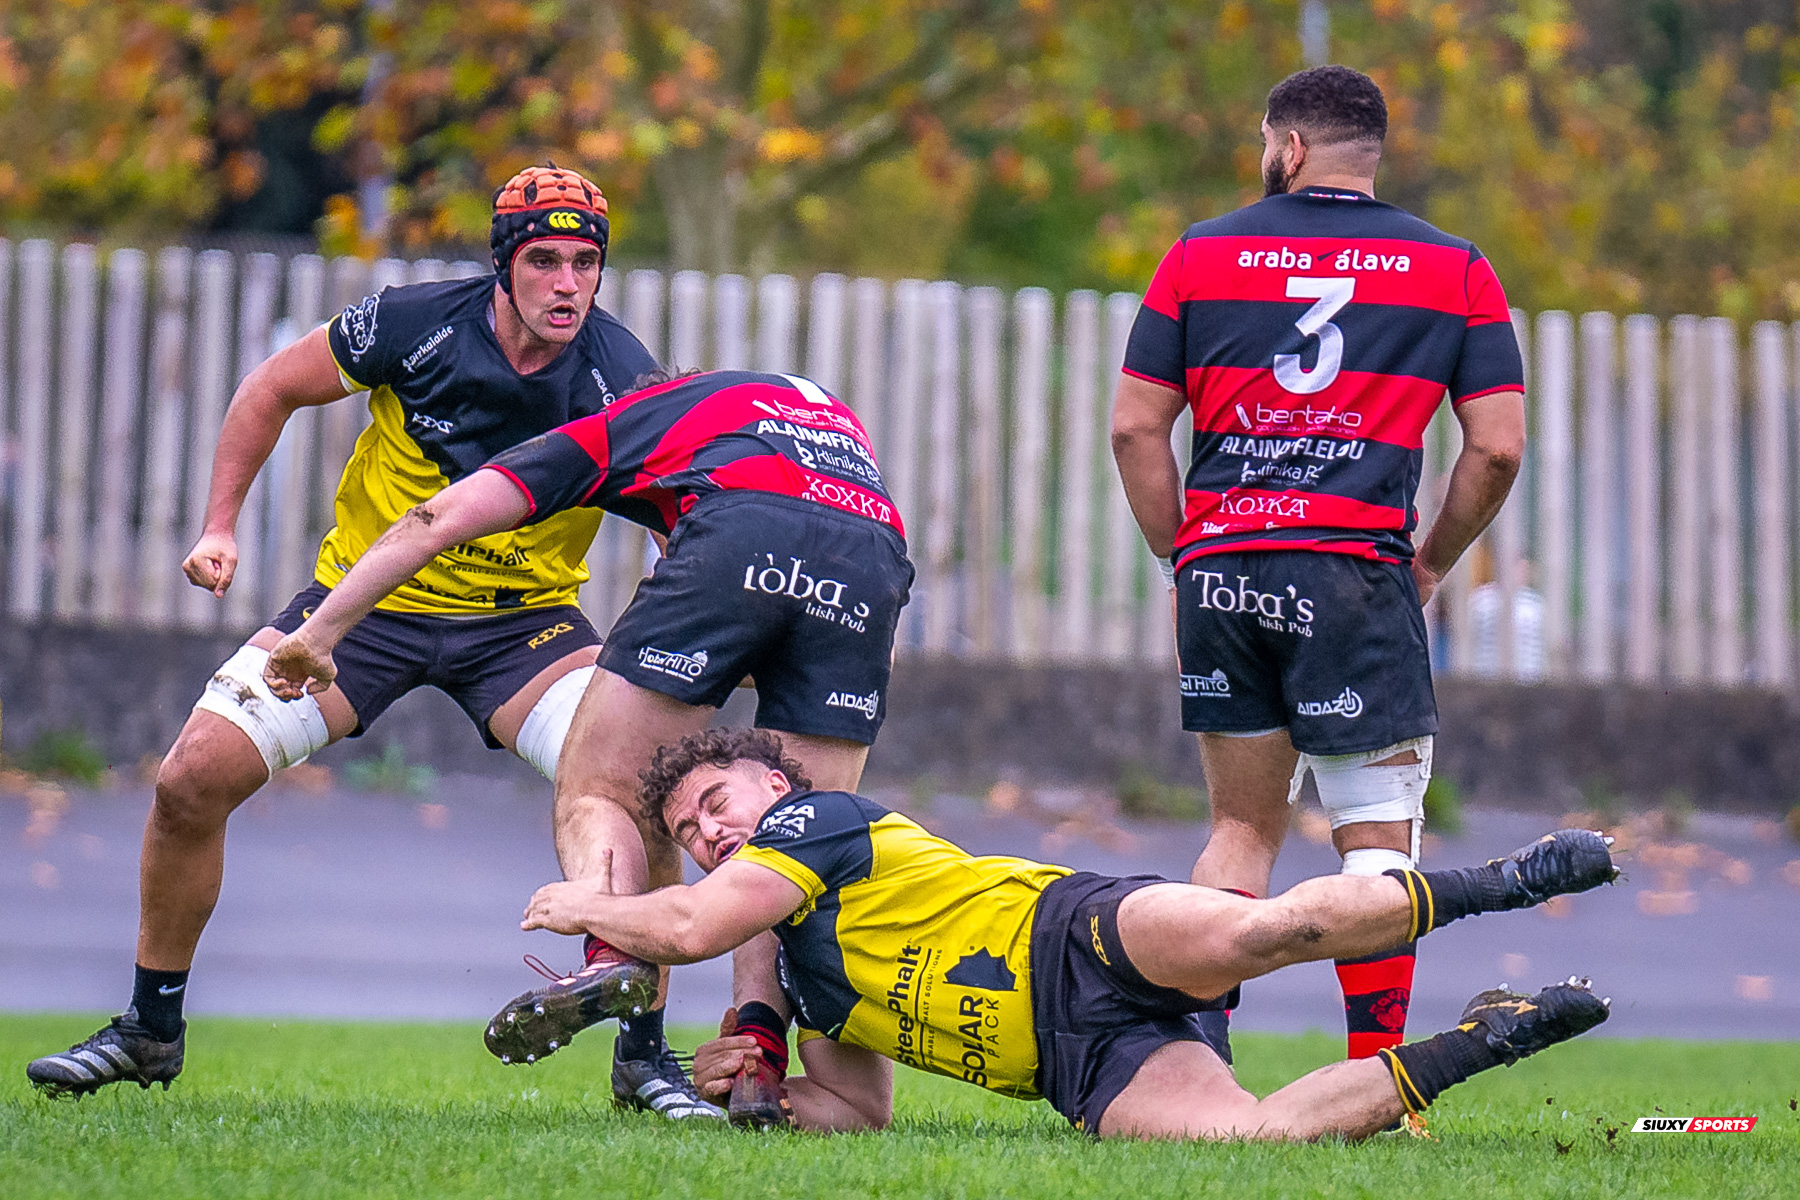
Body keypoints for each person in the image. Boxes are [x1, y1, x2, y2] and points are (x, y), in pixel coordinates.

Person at [24, 167, 720, 1115]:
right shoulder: (415, 322)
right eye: (546, 260)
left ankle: (643, 1058)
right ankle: (151, 1028)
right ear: (504, 263)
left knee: (645, 776)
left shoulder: (620, 376)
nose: (568, 284)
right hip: (363, 614)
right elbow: (273, 387)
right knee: (191, 778)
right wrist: (219, 525)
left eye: (587, 264)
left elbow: (677, 509)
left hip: (524, 627)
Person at [255, 368, 913, 1116]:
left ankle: (613, 953)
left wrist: (323, 629)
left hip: (742, 532)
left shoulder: (629, 422)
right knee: (799, 844)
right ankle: (759, 1055)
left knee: (603, 786)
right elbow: (840, 591)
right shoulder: (805, 419)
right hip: (871, 557)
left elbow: (439, 520)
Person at [514, 727, 1616, 1138]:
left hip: (1071, 934)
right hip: (1078, 1061)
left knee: (1258, 933)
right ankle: (1497, 1034)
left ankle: (1508, 880)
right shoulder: (806, 980)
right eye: (686, 828)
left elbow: (698, 924)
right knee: (1251, 1141)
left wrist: (592, 909)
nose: (708, 830)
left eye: (718, 802)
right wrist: (754, 1097)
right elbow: (854, 1109)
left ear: (771, 783)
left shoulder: (816, 821)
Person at [1109, 64, 1527, 1070]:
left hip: (1225, 571)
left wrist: (1185, 554)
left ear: (1288, 150)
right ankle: (1374, 1077)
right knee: (1376, 841)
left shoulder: (1197, 255)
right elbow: (1499, 448)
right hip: (1356, 576)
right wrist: (1428, 563)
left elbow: (1134, 430)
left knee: (1241, 832)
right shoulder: (1457, 268)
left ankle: (1194, 1067)